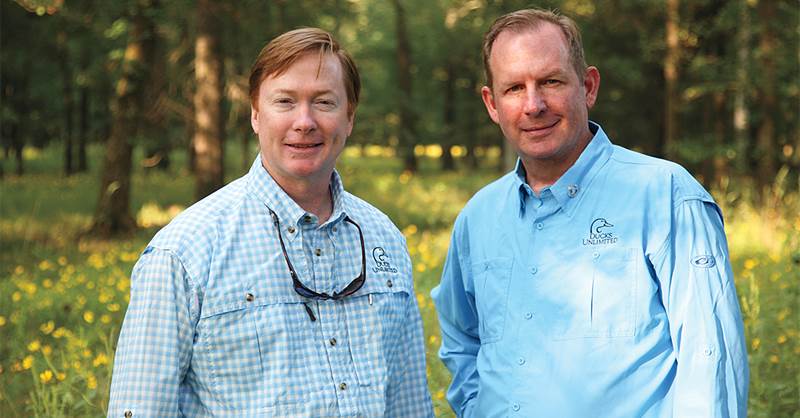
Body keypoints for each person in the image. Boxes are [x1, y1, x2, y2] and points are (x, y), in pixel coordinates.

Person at [431, 8, 748, 418]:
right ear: (492, 103)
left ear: (588, 86)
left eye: (551, 81)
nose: (533, 105)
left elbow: (711, 363)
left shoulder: (666, 196)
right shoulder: (478, 218)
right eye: (513, 88)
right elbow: (461, 340)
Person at [108, 28, 434, 417]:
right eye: (285, 101)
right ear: (256, 115)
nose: (305, 121)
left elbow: (410, 405)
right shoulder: (184, 252)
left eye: (324, 102)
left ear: (349, 117)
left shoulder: (385, 241)